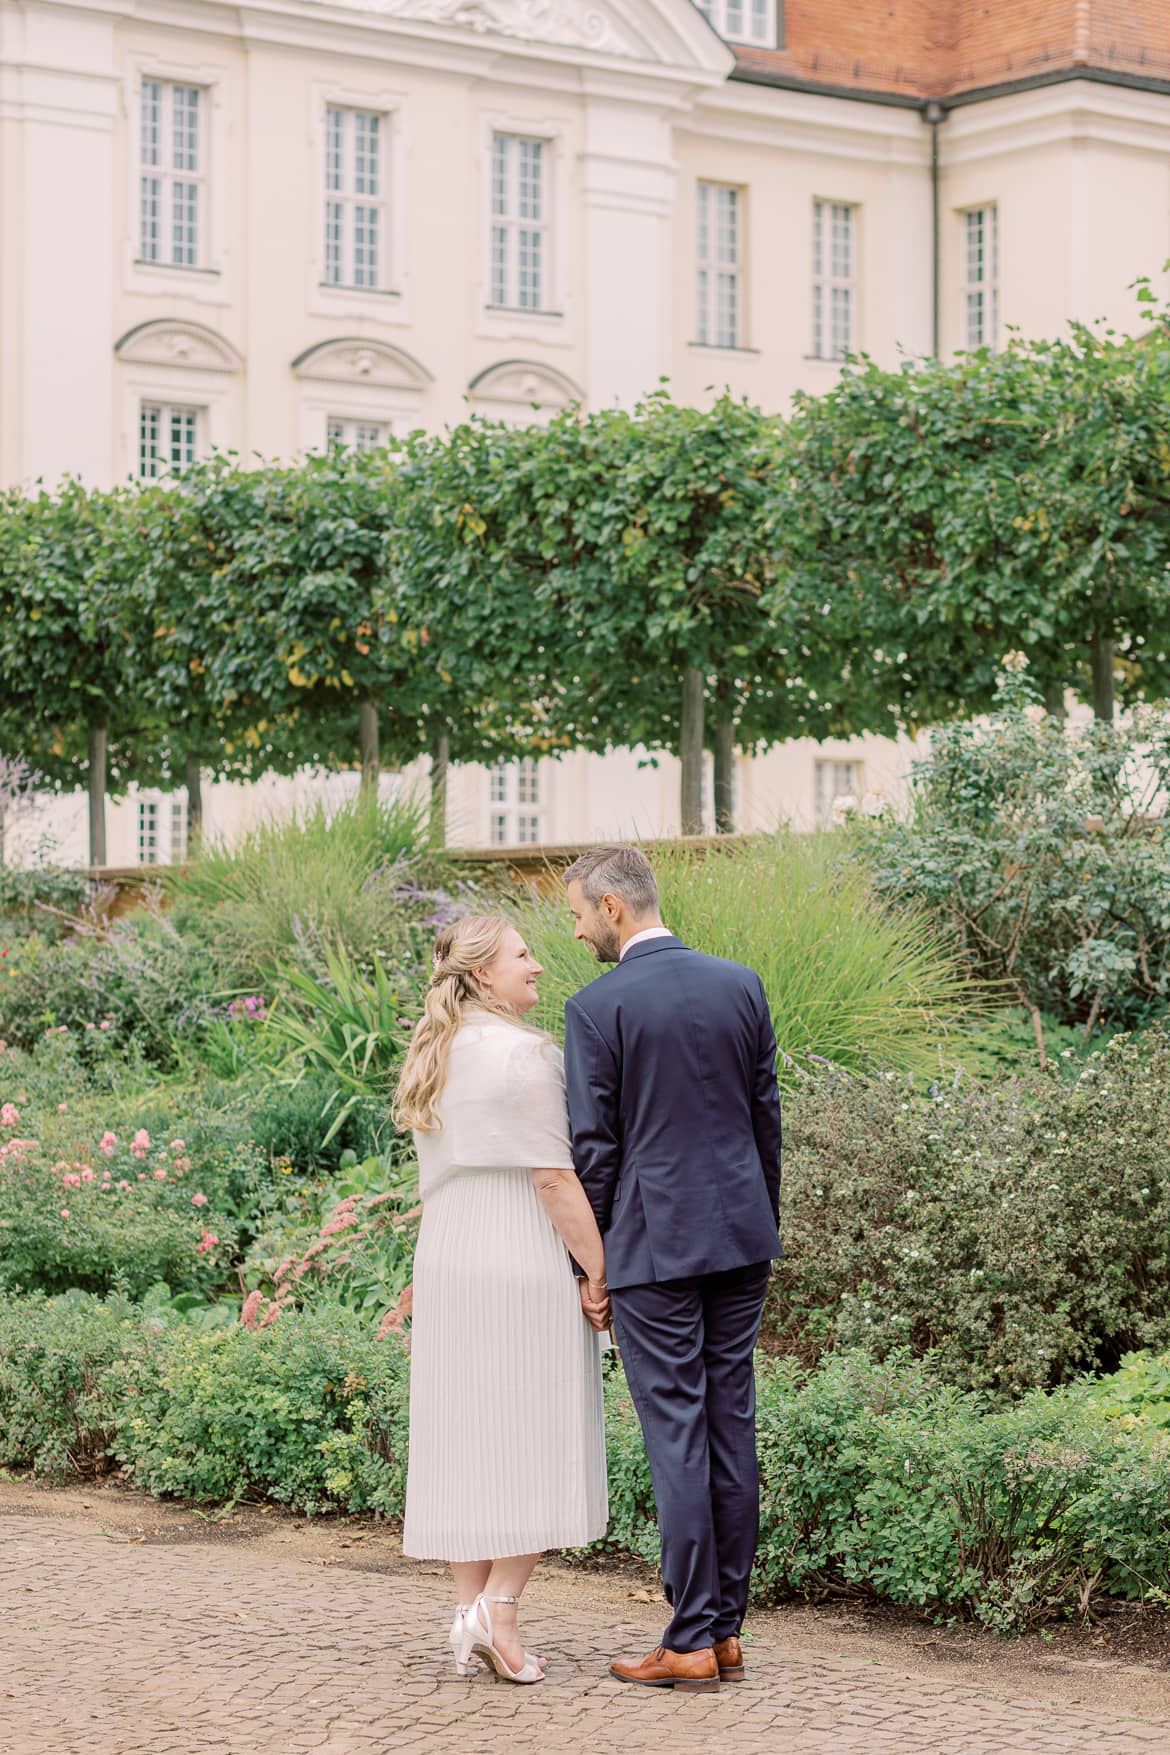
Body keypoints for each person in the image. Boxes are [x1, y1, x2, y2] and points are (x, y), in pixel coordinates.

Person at [562, 845, 782, 1695]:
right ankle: (725, 1630)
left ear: (614, 906)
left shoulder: (596, 1007)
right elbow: (766, 1118)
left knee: (678, 1433)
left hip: (653, 1248)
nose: (577, 929)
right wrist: (760, 1218)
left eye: (580, 912)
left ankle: (690, 1637)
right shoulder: (742, 983)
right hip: (740, 1237)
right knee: (731, 1422)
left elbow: (596, 1151)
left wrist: (598, 1265)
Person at [395, 914, 609, 1685]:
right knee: (536, 1423)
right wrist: (597, 1268)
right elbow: (552, 1177)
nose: (539, 967)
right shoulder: (527, 1055)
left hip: (450, 1252)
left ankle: (469, 1613)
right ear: (484, 974)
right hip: (516, 1250)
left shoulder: (434, 1050)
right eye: (524, 956)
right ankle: (502, 1607)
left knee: (467, 1432)